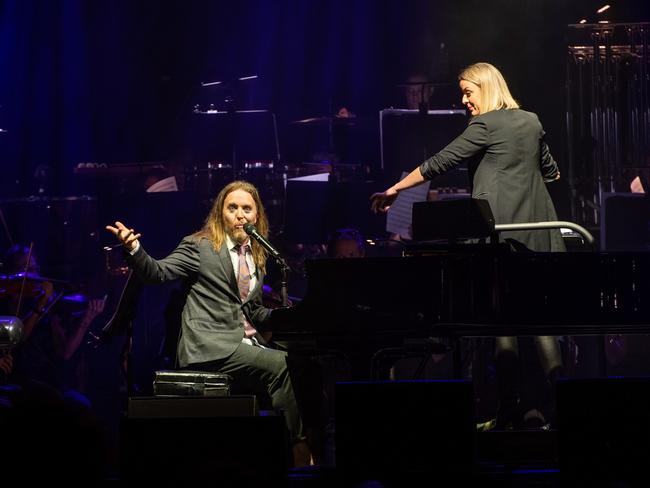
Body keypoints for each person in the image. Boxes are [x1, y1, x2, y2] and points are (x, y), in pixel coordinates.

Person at [371, 62, 565, 428]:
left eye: (467, 92)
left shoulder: (485, 125)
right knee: (539, 323)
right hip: (539, 235)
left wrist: (396, 189)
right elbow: (551, 171)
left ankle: (509, 411)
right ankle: (560, 407)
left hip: (499, 236)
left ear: (486, 87)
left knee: (503, 326)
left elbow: (440, 161)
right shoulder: (532, 120)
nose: (464, 101)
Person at [106, 180, 312, 466]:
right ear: (220, 214)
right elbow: (157, 272)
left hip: (241, 344)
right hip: (208, 345)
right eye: (233, 208)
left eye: (247, 209)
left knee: (305, 363)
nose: (240, 214)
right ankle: (298, 451)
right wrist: (134, 249)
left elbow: (252, 310)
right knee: (281, 365)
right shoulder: (199, 246)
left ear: (257, 216)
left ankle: (278, 452)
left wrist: (288, 315)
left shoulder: (256, 254)